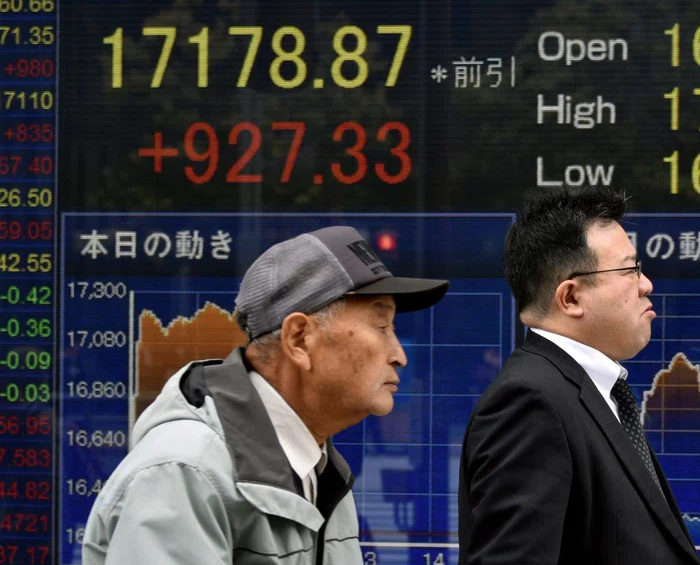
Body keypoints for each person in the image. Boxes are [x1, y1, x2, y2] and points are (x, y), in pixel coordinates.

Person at [83, 226, 449, 565]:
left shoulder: (320, 471)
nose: (399, 355)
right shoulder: (183, 474)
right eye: (381, 326)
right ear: (299, 339)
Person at [458, 187, 700, 564]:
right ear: (571, 298)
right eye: (630, 269)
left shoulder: (586, 393)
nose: (646, 284)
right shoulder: (530, 403)